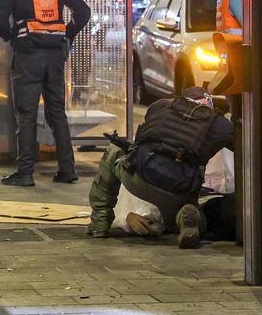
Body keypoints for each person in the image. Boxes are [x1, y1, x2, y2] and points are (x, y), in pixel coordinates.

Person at [0, 0, 91, 187]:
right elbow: (83, 12)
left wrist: (14, 35)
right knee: (57, 112)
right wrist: (66, 35)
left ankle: (25, 173)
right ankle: (67, 170)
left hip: (28, 57)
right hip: (55, 54)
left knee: (26, 114)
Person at [87, 87, 235, 248]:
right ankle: (184, 216)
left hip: (139, 179)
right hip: (177, 190)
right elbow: (243, 145)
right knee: (186, 208)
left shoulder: (161, 105)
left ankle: (100, 221)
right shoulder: (219, 123)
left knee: (115, 149)